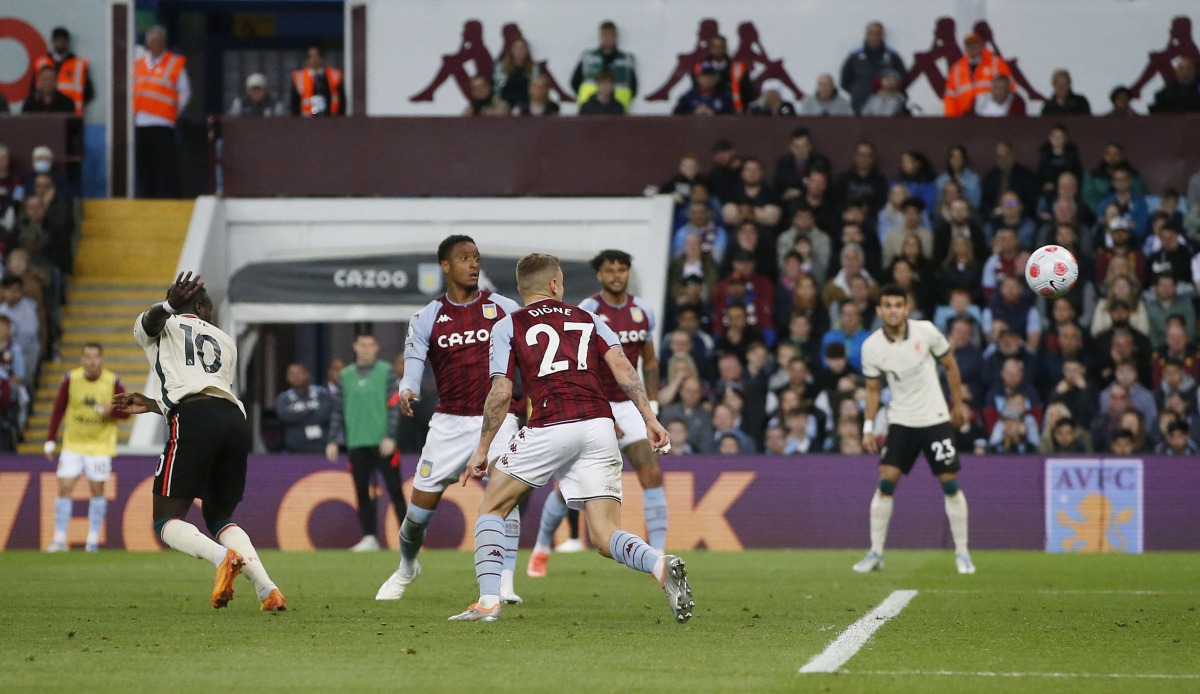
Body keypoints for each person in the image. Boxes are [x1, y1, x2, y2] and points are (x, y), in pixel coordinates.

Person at [449, 253, 692, 624]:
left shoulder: (507, 324)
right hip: (599, 424)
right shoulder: (590, 317)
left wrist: (481, 450)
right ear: (553, 285)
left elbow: (500, 392)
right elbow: (625, 367)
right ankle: (659, 564)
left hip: (551, 421)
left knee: (492, 507)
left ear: (521, 289)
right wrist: (650, 418)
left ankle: (488, 601)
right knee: (604, 534)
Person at [116, 271, 285, 611]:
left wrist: (166, 306)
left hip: (194, 419)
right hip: (233, 420)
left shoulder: (162, 323)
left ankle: (224, 558)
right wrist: (153, 405)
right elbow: (206, 387)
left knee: (165, 519)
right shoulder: (226, 341)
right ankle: (268, 590)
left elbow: (150, 323)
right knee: (220, 515)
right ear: (204, 306)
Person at [374, 235, 524, 603]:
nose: (473, 264)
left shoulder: (503, 307)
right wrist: (408, 389)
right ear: (445, 266)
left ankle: (505, 580)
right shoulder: (427, 316)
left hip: (497, 418)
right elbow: (413, 364)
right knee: (416, 518)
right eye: (464, 258)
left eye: (476, 257)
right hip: (449, 424)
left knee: (506, 495)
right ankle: (407, 567)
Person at [530, 250, 667, 578]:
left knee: (650, 470)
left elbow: (648, 361)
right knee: (567, 489)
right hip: (594, 403)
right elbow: (585, 364)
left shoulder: (643, 311)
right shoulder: (588, 311)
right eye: (610, 270)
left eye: (622, 270)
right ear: (600, 276)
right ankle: (541, 547)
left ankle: (660, 552)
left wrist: (653, 408)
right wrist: (605, 412)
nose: (617, 275)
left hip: (630, 402)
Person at [855, 284, 974, 575]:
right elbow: (872, 389)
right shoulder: (871, 347)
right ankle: (875, 552)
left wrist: (956, 406)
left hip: (934, 417)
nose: (893, 310)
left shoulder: (926, 331)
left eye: (898, 305)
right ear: (879, 310)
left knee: (949, 481)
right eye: (888, 305)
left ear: (906, 308)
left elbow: (951, 366)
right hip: (901, 420)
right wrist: (868, 427)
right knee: (886, 481)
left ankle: (962, 552)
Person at [43, 343, 128, 552]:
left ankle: (92, 540)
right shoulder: (71, 379)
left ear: (101, 359)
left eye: (95, 357)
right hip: (73, 444)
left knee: (97, 491)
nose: (91, 361)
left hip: (100, 447)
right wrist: (51, 439)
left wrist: (112, 411)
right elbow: (58, 409)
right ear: (82, 359)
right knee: (64, 488)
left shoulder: (113, 381)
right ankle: (60, 539)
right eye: (88, 357)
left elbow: (126, 412)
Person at [325, 332, 403, 552]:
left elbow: (394, 405)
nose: (366, 349)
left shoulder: (386, 371)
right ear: (355, 347)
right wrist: (332, 440)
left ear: (377, 347)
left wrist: (391, 436)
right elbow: (337, 409)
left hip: (384, 443)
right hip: (356, 442)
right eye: (362, 345)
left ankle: (407, 538)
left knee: (395, 490)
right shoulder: (345, 375)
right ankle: (370, 537)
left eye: (370, 345)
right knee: (361, 491)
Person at [134, 26, 189, 199]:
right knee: (145, 165)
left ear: (164, 43)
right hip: (141, 123)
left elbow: (185, 92)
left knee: (167, 165)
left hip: (164, 123)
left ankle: (170, 198)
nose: (156, 45)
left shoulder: (174, 63)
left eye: (160, 41)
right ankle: (147, 197)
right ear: (148, 43)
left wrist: (174, 111)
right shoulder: (138, 64)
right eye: (153, 41)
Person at [840, 21, 907, 114]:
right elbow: (845, 81)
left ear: (883, 35)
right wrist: (857, 92)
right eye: (871, 33)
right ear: (866, 35)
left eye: (878, 33)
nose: (874, 37)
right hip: (860, 105)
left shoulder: (892, 56)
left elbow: (903, 79)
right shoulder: (855, 55)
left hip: (888, 110)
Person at [572, 21, 638, 112]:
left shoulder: (626, 59)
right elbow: (575, 81)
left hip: (618, 108)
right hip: (590, 108)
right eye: (604, 35)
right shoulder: (588, 57)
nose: (607, 38)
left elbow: (633, 86)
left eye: (610, 35)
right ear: (600, 36)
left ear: (616, 36)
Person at [944, 32, 1011, 118]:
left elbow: (1010, 90)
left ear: (982, 45)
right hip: (965, 121)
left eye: (975, 44)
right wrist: (951, 121)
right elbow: (950, 97)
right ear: (965, 48)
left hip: (992, 119)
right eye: (969, 45)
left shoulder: (997, 63)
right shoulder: (957, 68)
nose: (972, 47)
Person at [30, 27, 94, 116]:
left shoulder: (79, 64)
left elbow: (88, 92)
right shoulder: (41, 63)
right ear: (52, 41)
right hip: (44, 113)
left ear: (68, 42)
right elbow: (33, 90)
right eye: (57, 39)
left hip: (72, 114)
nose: (60, 42)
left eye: (63, 39)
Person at [274, 363, 332, 454]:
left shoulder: (322, 393)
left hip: (322, 448)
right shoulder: (283, 398)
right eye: (291, 374)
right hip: (294, 449)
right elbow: (285, 416)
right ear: (287, 378)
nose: (295, 377)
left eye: (299, 373)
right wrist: (311, 411)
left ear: (307, 374)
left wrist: (298, 415)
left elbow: (325, 414)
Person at [290, 46, 344, 117]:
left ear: (322, 57)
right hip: (306, 119)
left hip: (331, 118)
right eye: (310, 56)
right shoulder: (299, 77)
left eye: (316, 56)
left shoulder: (334, 75)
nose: (314, 59)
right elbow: (294, 102)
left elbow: (341, 100)